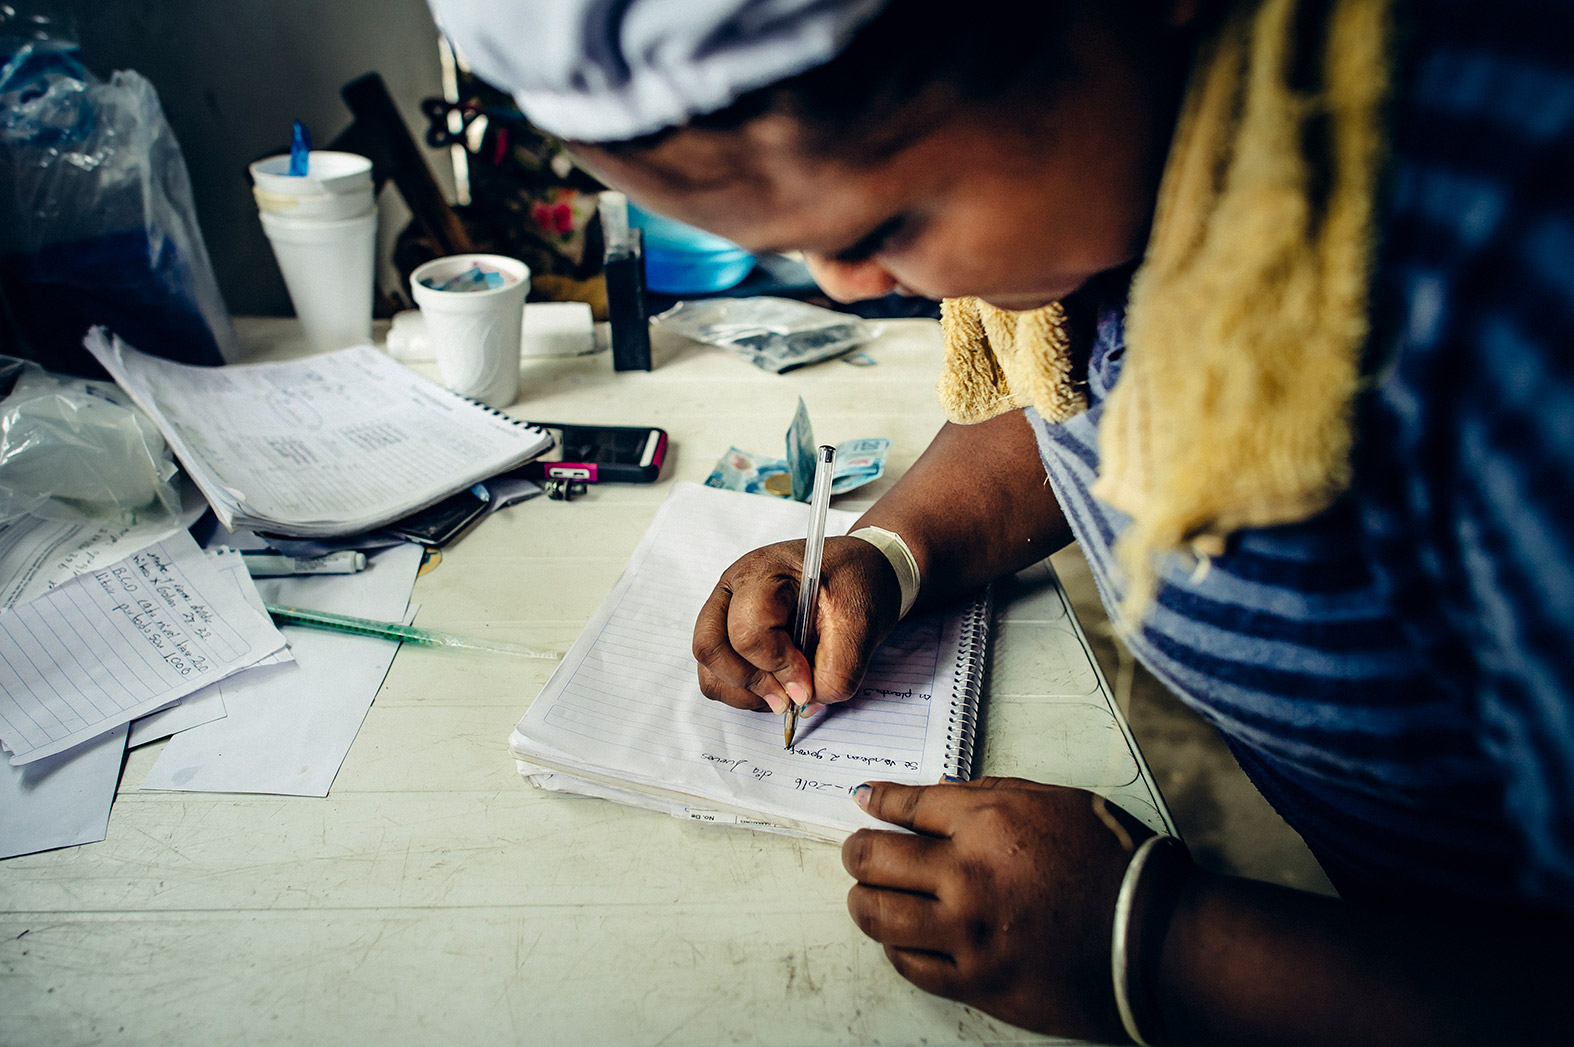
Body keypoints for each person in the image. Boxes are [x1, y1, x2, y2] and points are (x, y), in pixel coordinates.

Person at [428, 0, 1573, 1042]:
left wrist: (1160, 946)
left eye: (887, 222)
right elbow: (1068, 395)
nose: (847, 289)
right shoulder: (1123, 154)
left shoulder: (1509, 261)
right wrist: (890, 550)